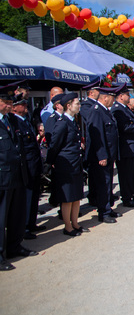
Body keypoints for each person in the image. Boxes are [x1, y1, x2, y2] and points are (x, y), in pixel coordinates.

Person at [0, 86, 38, 271]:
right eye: (6, 102)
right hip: (2, 177)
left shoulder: (12, 120)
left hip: (17, 174)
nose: (9, 105)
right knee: (1, 218)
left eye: (10, 102)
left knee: (17, 214)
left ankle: (14, 246)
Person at [46, 93, 88, 236]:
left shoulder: (72, 121)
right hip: (66, 165)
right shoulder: (62, 122)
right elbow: (54, 145)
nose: (79, 106)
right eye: (77, 103)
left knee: (76, 196)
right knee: (68, 198)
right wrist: (50, 163)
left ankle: (75, 223)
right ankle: (68, 226)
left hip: (75, 164)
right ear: (68, 106)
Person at [111, 85, 134, 207]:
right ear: (121, 96)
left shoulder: (125, 109)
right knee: (126, 175)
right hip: (126, 147)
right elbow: (125, 128)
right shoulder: (117, 110)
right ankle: (127, 198)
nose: (129, 96)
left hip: (133, 146)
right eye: (127, 94)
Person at [11, 96, 44, 240]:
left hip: (34, 164)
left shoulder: (27, 120)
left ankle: (31, 223)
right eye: (23, 105)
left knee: (35, 195)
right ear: (14, 108)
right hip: (26, 166)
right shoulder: (14, 122)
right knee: (27, 197)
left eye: (26, 104)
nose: (26, 106)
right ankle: (24, 227)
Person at [88, 87, 121, 223]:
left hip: (109, 154)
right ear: (105, 97)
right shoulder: (96, 111)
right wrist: (101, 155)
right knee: (103, 183)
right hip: (101, 156)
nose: (113, 101)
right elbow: (97, 136)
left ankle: (108, 207)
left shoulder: (105, 111)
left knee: (108, 183)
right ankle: (104, 212)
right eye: (112, 98)